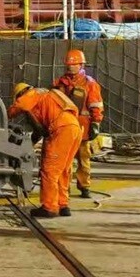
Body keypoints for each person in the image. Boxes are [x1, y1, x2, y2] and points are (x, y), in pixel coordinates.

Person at [8, 82, 82, 219]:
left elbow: (21, 105)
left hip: (61, 129)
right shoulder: (47, 96)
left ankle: (49, 207)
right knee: (63, 169)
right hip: (74, 127)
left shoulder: (33, 93)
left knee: (50, 170)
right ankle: (63, 205)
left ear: (21, 94)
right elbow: (39, 130)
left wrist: (5, 114)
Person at [53, 49, 105, 198]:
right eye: (69, 64)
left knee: (83, 158)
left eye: (74, 64)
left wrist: (96, 123)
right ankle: (64, 187)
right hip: (65, 126)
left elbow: (96, 104)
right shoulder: (61, 82)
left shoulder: (90, 83)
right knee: (65, 159)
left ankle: (84, 186)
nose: (71, 67)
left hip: (83, 126)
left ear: (81, 65)